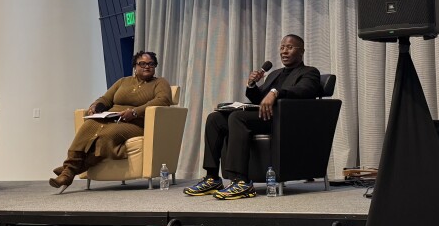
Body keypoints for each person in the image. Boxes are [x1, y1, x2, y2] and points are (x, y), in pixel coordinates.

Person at [185, 35, 322, 200]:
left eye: (290, 47)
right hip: (265, 117)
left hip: (284, 121)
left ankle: (242, 181)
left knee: (237, 118)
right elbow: (260, 100)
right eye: (282, 47)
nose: (284, 51)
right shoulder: (275, 74)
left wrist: (275, 92)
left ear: (301, 51)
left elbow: (304, 91)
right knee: (215, 119)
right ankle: (212, 177)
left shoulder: (310, 72)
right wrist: (252, 86)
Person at [49, 51, 172, 191]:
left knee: (107, 134)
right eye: (142, 64)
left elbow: (163, 100)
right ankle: (69, 170)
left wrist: (134, 112)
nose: (147, 67)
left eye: (151, 64)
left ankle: (68, 171)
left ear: (155, 66)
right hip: (112, 118)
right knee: (88, 126)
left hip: (135, 123)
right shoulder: (123, 82)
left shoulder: (160, 82)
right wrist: (95, 107)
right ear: (135, 66)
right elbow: (105, 99)